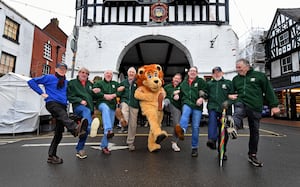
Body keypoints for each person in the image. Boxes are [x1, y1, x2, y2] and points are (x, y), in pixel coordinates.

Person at [27, 63, 88, 164]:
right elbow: (31, 81)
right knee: (63, 115)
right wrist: (41, 93)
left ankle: (52, 156)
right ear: (56, 69)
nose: (62, 70)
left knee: (59, 133)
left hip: (63, 106)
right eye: (60, 68)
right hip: (52, 103)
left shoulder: (66, 82)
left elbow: (77, 88)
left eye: (64, 69)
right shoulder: (49, 77)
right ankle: (74, 128)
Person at [228, 58, 280, 167]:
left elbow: (268, 90)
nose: (237, 70)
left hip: (255, 106)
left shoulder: (259, 76)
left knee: (254, 132)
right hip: (241, 101)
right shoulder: (235, 79)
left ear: (247, 66)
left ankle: (252, 154)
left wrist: (274, 105)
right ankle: (234, 127)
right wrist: (230, 96)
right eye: (237, 67)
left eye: (239, 67)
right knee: (238, 112)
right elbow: (231, 92)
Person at [174, 66, 208, 157]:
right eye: (191, 71)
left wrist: (201, 98)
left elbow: (205, 92)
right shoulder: (183, 83)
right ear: (188, 73)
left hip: (197, 106)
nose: (192, 72)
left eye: (194, 71)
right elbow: (180, 93)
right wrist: (177, 96)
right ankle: (182, 130)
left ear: (196, 73)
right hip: (187, 103)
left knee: (195, 127)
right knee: (185, 114)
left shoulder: (200, 81)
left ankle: (194, 148)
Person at [67, 67, 101, 159]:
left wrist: (96, 92)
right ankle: (90, 129)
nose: (84, 74)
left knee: (83, 128)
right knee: (86, 119)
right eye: (82, 72)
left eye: (86, 73)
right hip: (79, 108)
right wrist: (79, 100)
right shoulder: (72, 83)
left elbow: (94, 96)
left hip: (89, 110)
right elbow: (69, 96)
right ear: (78, 73)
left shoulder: (90, 84)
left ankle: (80, 149)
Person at [206, 66, 233, 161]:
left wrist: (228, 102)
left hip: (225, 110)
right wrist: (202, 94)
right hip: (213, 107)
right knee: (212, 122)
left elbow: (234, 96)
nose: (216, 74)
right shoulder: (209, 84)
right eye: (214, 72)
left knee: (224, 132)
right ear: (212, 74)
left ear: (222, 73)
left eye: (218, 72)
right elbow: (206, 94)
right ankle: (212, 140)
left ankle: (222, 151)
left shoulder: (228, 83)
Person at [93, 70, 120, 155]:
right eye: (107, 73)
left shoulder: (115, 84)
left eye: (110, 74)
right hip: (102, 104)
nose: (109, 75)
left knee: (110, 124)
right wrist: (104, 95)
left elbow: (121, 90)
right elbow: (94, 92)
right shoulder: (99, 83)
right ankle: (108, 130)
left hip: (112, 106)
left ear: (112, 76)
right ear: (104, 75)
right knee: (105, 108)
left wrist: (114, 95)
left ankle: (104, 146)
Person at [117, 67, 139, 151]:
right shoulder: (123, 82)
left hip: (134, 104)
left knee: (133, 125)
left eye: (133, 72)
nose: (131, 73)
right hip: (125, 101)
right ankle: (123, 121)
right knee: (124, 112)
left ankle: (130, 142)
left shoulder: (138, 83)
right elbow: (118, 93)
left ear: (135, 74)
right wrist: (119, 90)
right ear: (127, 73)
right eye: (130, 72)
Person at [163, 73, 182, 152]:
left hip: (177, 107)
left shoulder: (182, 87)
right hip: (166, 105)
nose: (176, 80)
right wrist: (172, 94)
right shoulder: (167, 87)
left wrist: (179, 96)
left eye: (178, 79)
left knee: (177, 124)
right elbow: (163, 94)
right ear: (173, 79)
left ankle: (174, 142)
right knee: (167, 100)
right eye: (175, 78)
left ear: (180, 80)